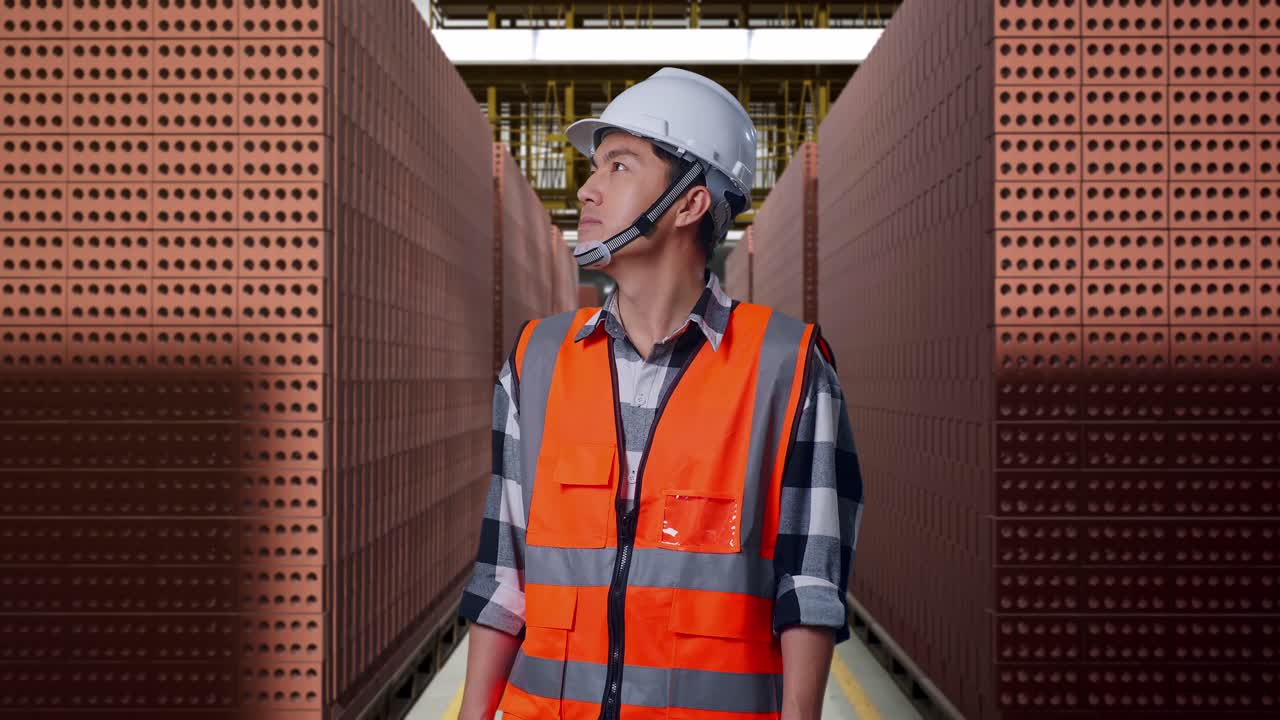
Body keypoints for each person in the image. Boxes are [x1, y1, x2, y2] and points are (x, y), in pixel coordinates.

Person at [456, 67, 864, 720]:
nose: (586, 190)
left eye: (618, 167)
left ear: (689, 202)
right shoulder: (535, 362)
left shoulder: (787, 368)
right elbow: (502, 580)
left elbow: (809, 590)